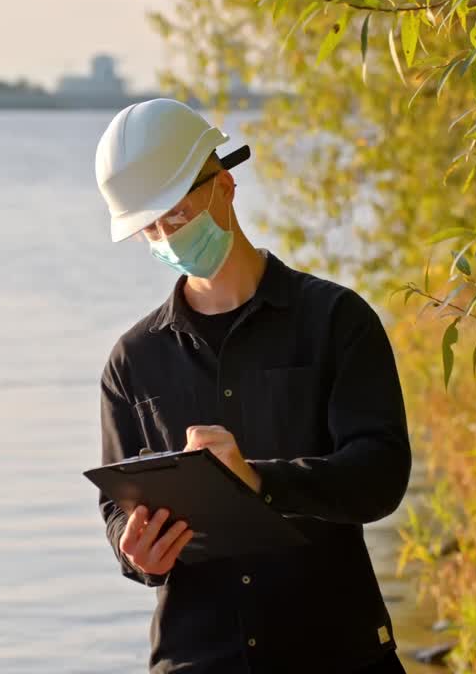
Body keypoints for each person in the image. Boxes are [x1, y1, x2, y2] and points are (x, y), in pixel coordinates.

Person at [94, 98, 411, 674]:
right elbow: (118, 509)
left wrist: (260, 481)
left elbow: (381, 476)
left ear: (226, 185)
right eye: (152, 228)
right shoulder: (132, 361)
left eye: (179, 214)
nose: (168, 236)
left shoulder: (336, 321)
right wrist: (133, 551)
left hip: (336, 653)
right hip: (196, 659)